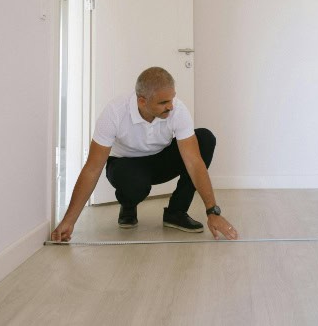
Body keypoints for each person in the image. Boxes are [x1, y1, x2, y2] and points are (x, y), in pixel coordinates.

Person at [51, 67, 238, 241]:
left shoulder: (177, 110)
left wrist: (212, 211)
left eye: (172, 99)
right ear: (142, 100)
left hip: (159, 160)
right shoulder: (114, 113)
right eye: (164, 102)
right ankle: (128, 205)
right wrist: (69, 221)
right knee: (135, 183)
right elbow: (92, 169)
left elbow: (194, 162)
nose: (171, 106)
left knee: (205, 138)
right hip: (125, 164)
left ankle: (176, 212)